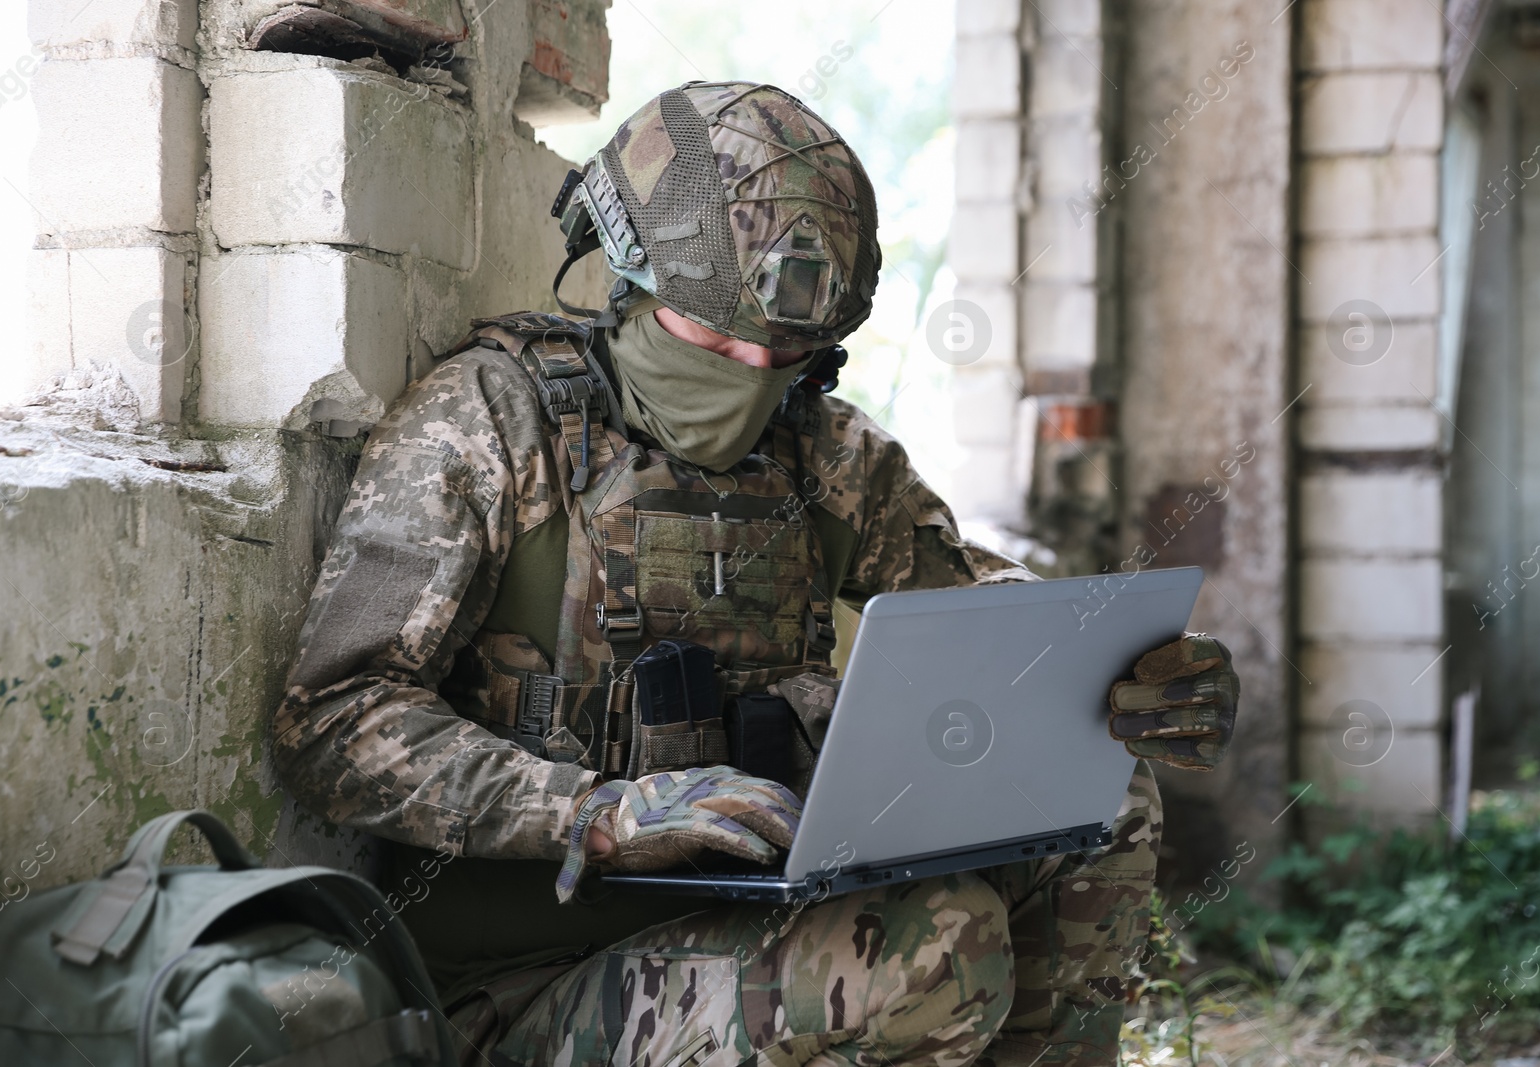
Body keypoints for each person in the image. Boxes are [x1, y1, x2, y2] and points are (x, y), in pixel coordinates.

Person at [271, 80, 1240, 1067]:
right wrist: (589, 812)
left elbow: (992, 617)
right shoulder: (490, 420)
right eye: (714, 328)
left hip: (757, 930)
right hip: (522, 980)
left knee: (1102, 806)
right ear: (632, 273)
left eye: (783, 347)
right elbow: (335, 717)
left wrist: (1124, 674)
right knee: (936, 940)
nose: (747, 363)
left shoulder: (823, 452)